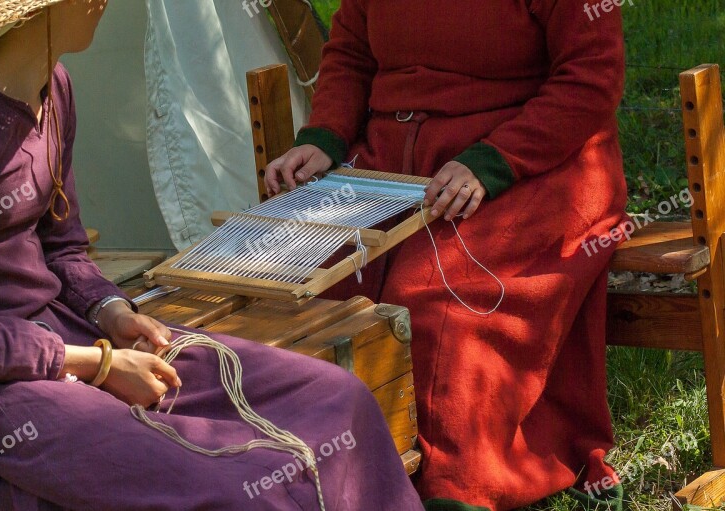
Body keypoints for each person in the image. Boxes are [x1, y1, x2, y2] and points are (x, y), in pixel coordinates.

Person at [0, 1, 424, 509]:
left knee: (339, 397)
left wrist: (111, 310)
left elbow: (63, 246)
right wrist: (97, 366)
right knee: (240, 490)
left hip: (75, 333)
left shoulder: (52, 84)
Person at [266, 1, 629, 510]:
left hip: (533, 160)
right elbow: (350, 55)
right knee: (313, 283)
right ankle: (317, 477)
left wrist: (495, 161)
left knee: (435, 297)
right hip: (391, 158)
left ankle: (452, 486)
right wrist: (326, 136)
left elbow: (590, 78)